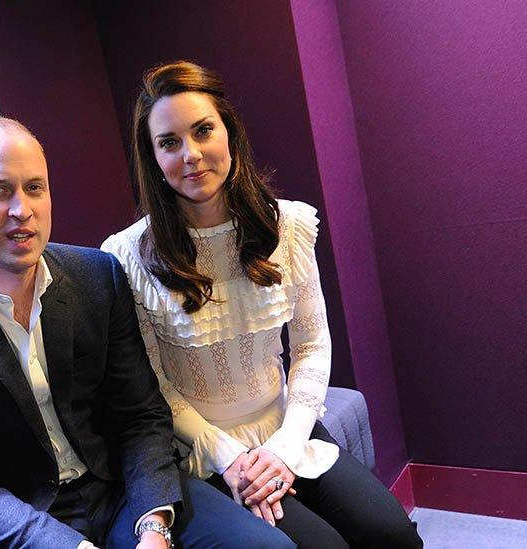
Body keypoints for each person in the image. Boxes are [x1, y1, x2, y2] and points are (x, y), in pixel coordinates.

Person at [0, 117, 295, 548]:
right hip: (18, 522)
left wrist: (154, 526)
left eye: (35, 187)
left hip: (120, 493)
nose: (23, 210)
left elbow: (141, 414)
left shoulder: (96, 276)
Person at [101, 61, 422, 549]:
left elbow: (313, 344)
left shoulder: (288, 226)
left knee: (393, 534)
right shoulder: (127, 255)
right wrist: (234, 461)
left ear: (228, 130)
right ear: (152, 157)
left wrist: (286, 446)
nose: (191, 154)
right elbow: (155, 388)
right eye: (169, 142)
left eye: (203, 130)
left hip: (286, 428)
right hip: (201, 450)